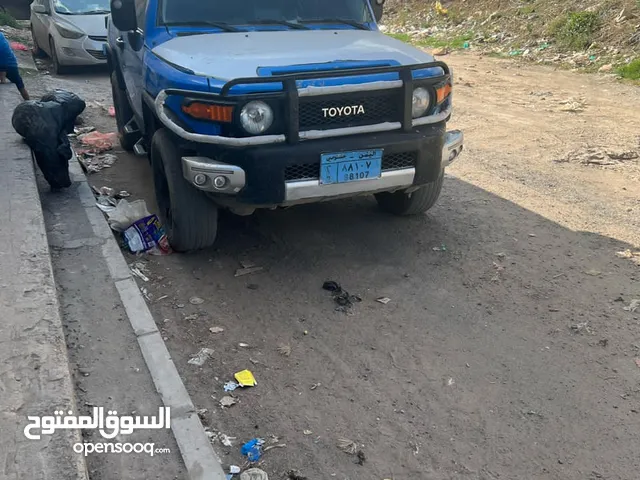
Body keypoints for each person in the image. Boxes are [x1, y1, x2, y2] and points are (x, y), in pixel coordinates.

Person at [0, 32, 30, 100]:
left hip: (3, 64)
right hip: (11, 64)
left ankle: (2, 79)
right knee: (20, 86)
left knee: (2, 71)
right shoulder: (1, 35)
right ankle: (29, 103)